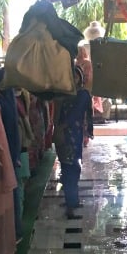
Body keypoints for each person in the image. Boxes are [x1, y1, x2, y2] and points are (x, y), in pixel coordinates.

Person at [53, 66, 93, 217]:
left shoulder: (82, 94)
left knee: (73, 167)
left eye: (76, 77)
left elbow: (76, 114)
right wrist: (58, 129)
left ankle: (72, 200)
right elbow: (58, 114)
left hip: (72, 137)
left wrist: (60, 128)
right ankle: (71, 203)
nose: (73, 79)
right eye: (71, 76)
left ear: (80, 79)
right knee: (68, 167)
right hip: (65, 137)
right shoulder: (63, 94)